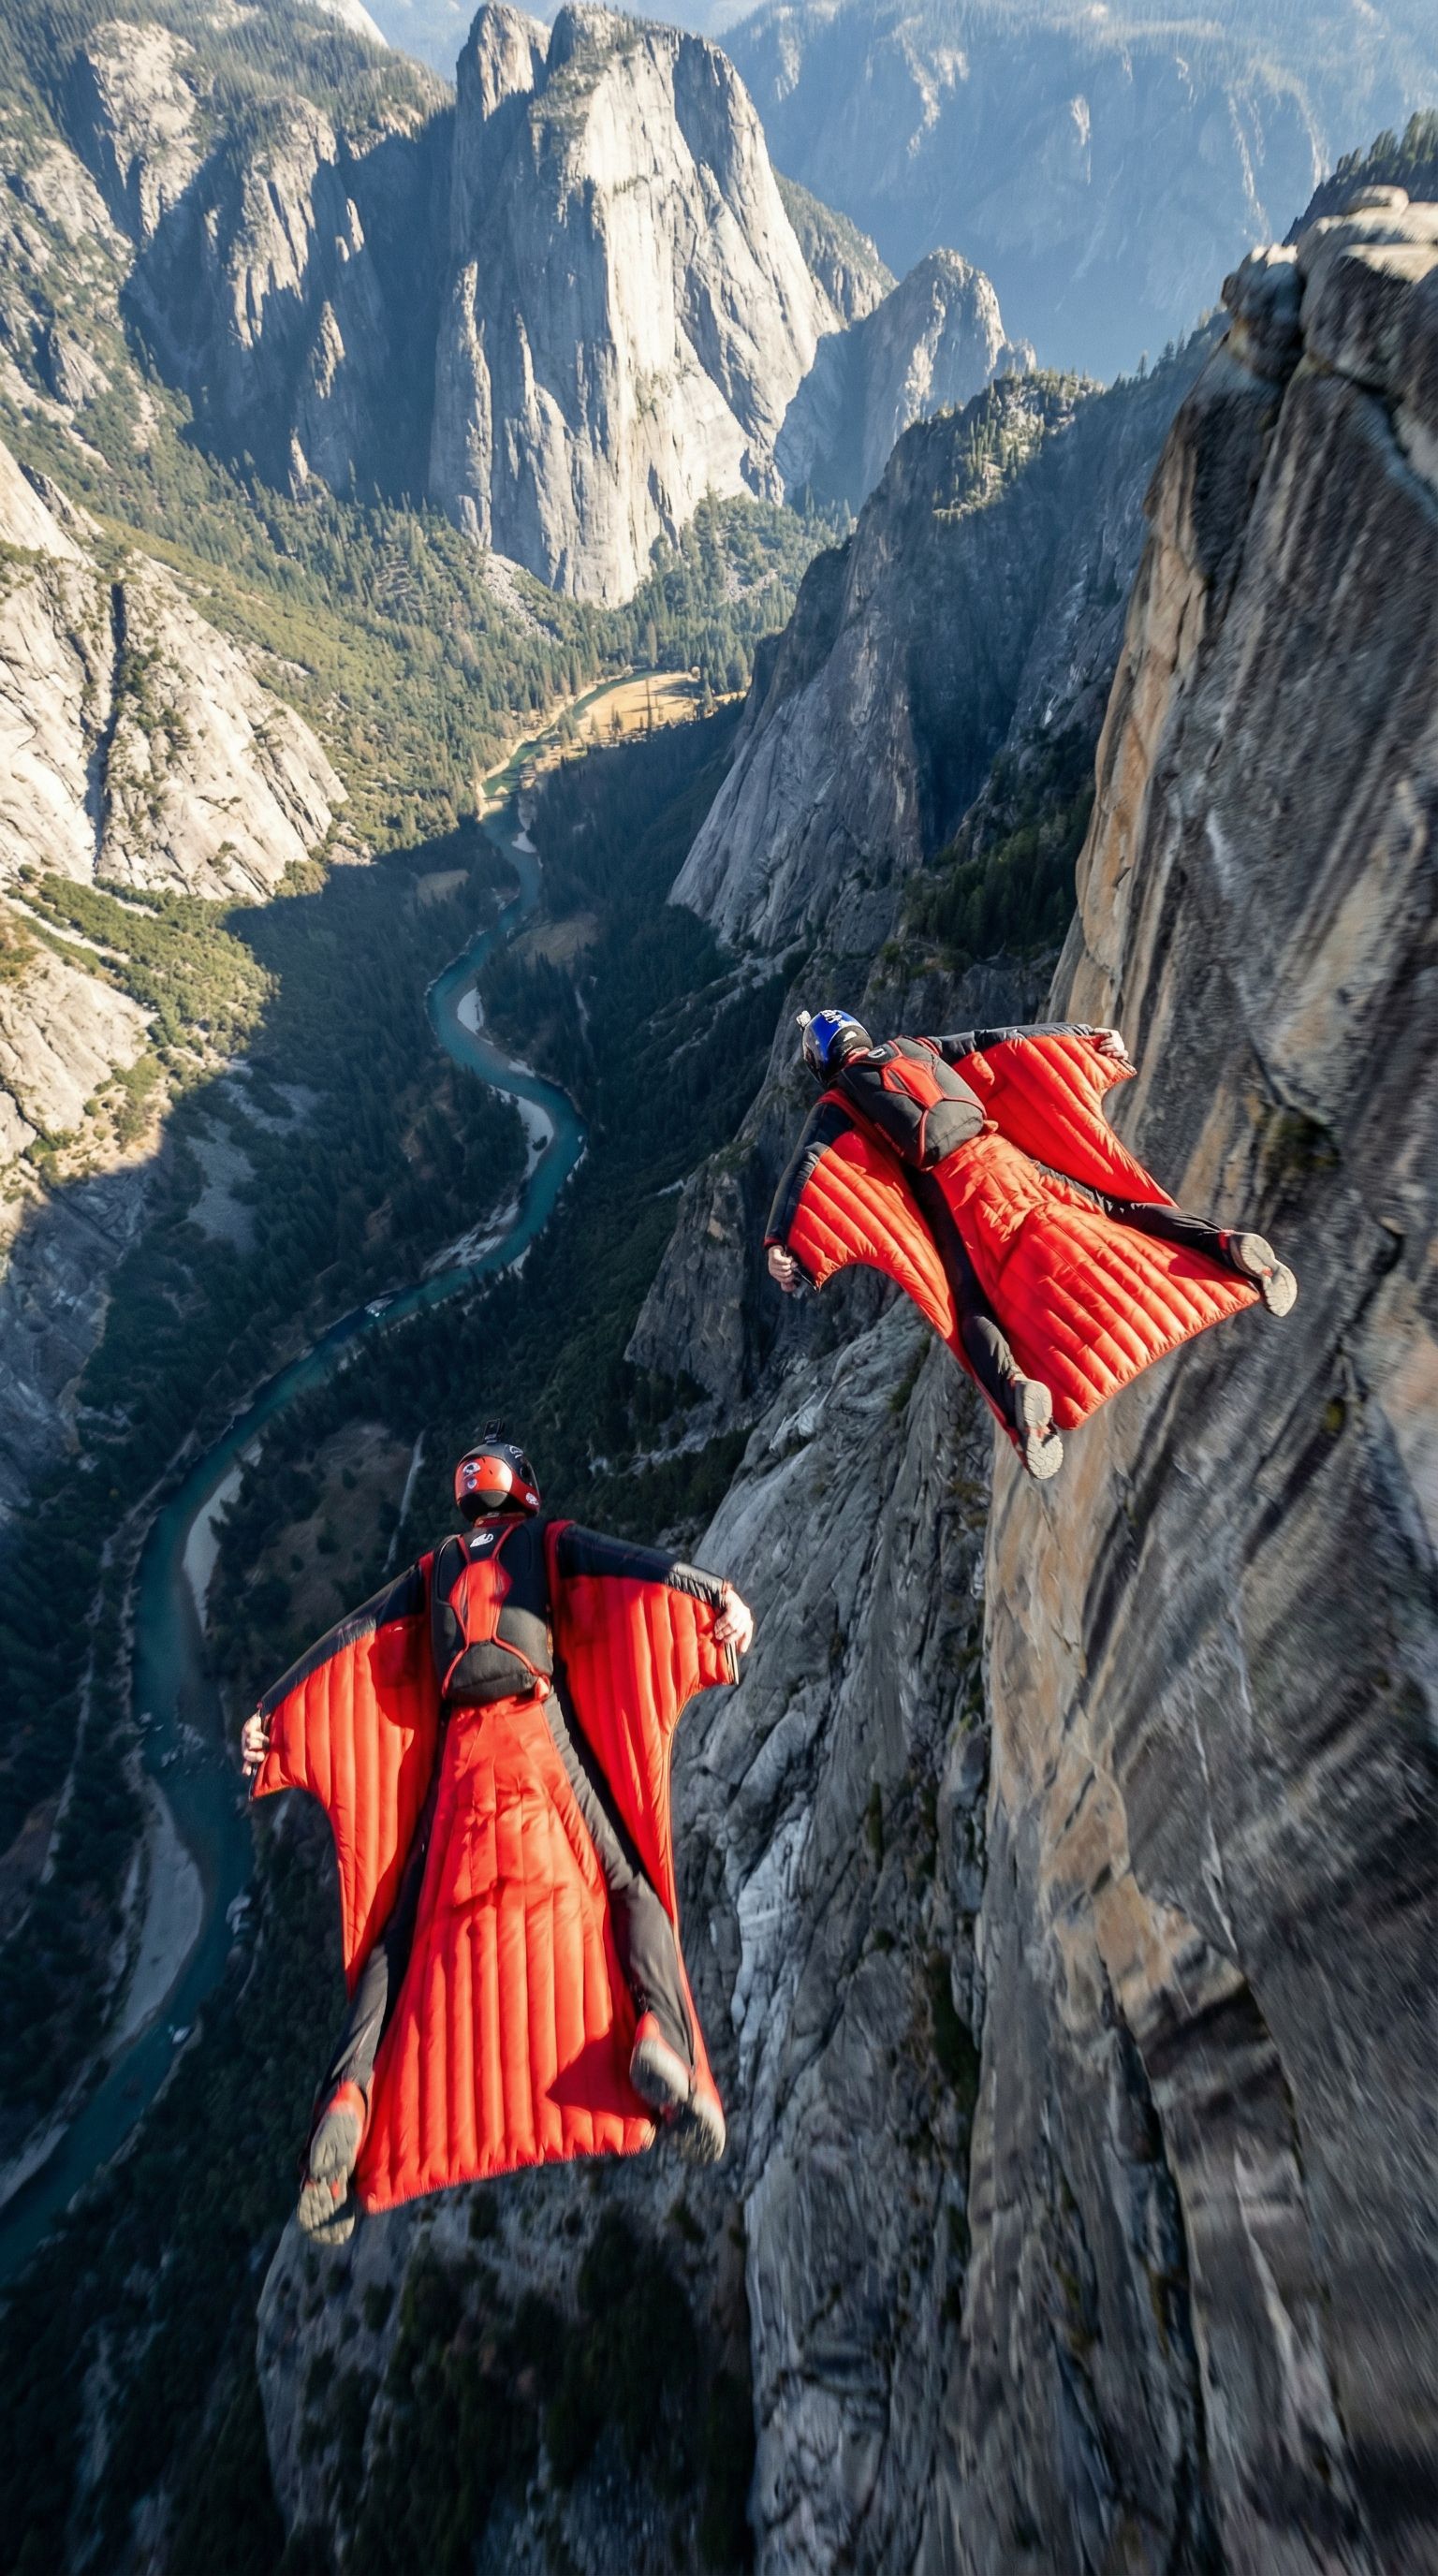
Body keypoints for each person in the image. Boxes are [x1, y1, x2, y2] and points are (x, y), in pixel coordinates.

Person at [242, 1437, 754, 2243]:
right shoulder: (547, 1543)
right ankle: (665, 2044)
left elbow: (350, 1641)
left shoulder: (431, 1569)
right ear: (523, 1491)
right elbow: (634, 1570)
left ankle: (350, 2093)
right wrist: (717, 1597)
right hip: (540, 1745)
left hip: (457, 1771)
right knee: (631, 1887)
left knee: (396, 1944)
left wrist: (270, 1718)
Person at [765, 1009, 1297, 1479]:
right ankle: (1226, 1248)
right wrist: (1089, 1039)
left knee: (969, 1306)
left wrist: (780, 1244)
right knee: (1116, 1210)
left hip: (958, 1199)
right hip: (1008, 1158)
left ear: (823, 1063)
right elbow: (1002, 1044)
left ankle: (1021, 1405)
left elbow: (810, 1168)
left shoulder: (838, 1104)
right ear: (860, 1033)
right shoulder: (916, 1048)